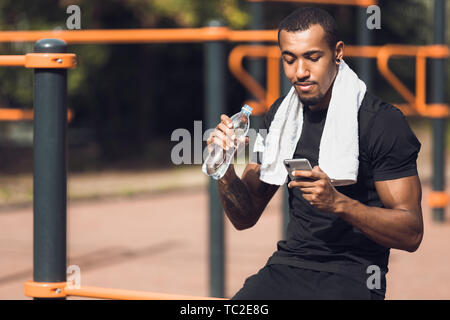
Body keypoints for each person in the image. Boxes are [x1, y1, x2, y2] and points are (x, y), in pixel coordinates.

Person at [206, 7, 423, 300]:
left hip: (353, 273)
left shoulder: (381, 122)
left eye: (312, 57)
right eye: (289, 59)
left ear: (337, 52)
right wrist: (224, 167)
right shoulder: (280, 118)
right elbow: (245, 217)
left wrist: (338, 203)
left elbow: (411, 233)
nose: (300, 72)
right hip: (288, 265)